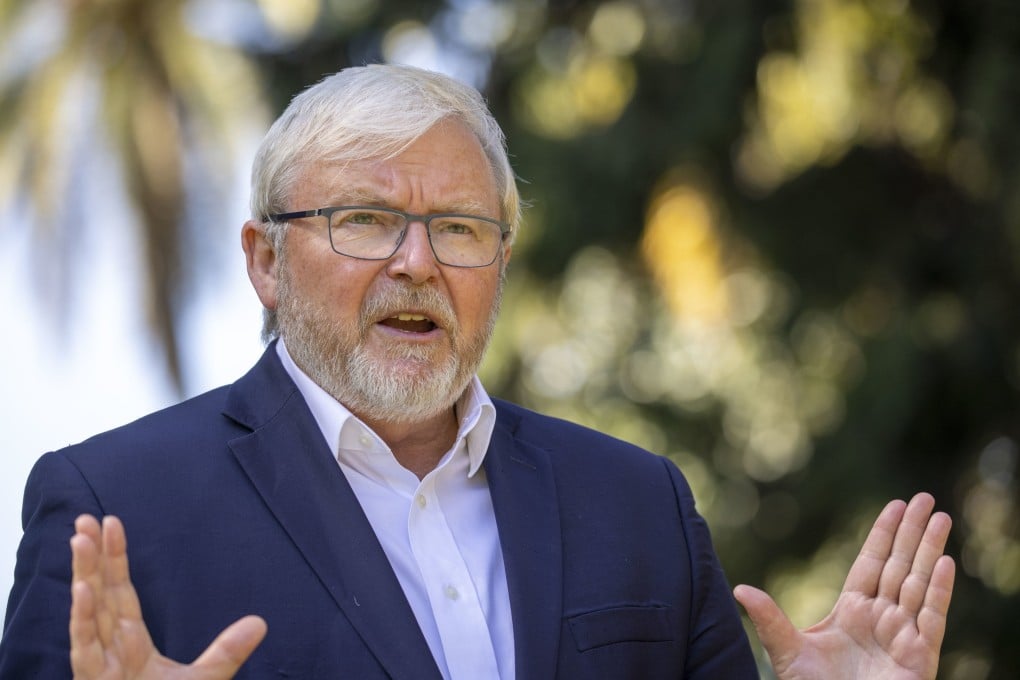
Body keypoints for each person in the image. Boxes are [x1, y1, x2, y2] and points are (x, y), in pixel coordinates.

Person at [0, 64, 955, 679]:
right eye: (364, 219)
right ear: (265, 262)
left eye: (458, 229)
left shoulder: (639, 504)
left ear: (498, 265)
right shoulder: (112, 509)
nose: (417, 263)